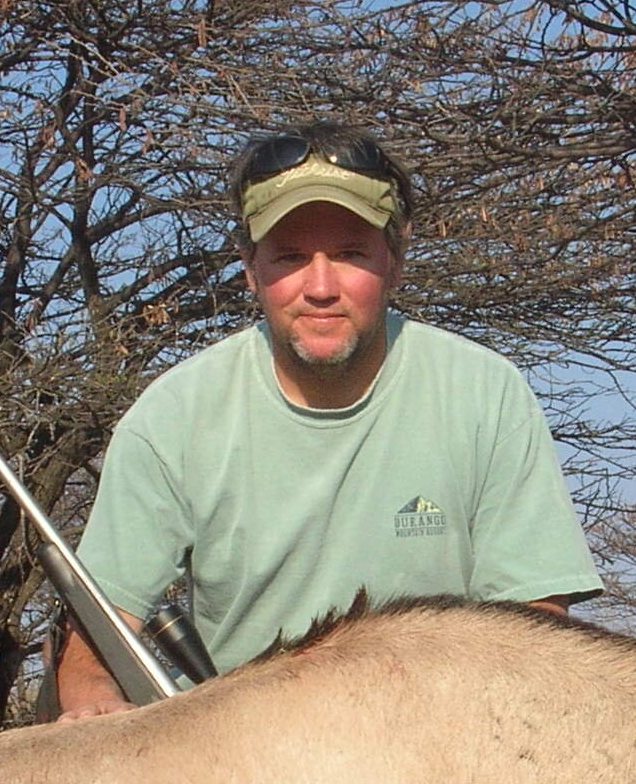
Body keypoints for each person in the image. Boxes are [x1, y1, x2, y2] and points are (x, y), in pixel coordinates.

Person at [48, 123, 602, 718]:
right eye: (289, 256)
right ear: (250, 268)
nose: (319, 287)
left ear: (394, 261)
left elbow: (535, 630)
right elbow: (91, 649)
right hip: (237, 755)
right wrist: (95, 707)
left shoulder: (487, 393)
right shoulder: (170, 417)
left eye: (349, 254)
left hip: (443, 739)